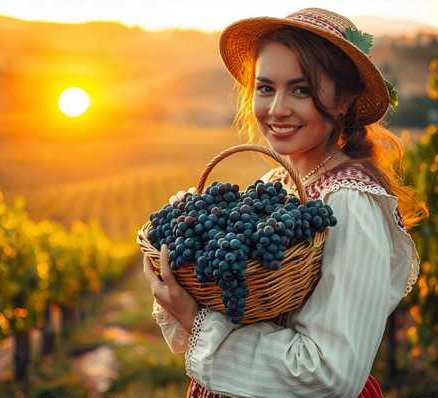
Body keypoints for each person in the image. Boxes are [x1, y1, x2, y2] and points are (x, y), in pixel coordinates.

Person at [142, 7, 427, 398]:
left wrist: (195, 319)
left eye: (301, 89)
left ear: (343, 100)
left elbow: (329, 374)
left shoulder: (349, 204)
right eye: (265, 88)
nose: (277, 109)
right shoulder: (277, 185)